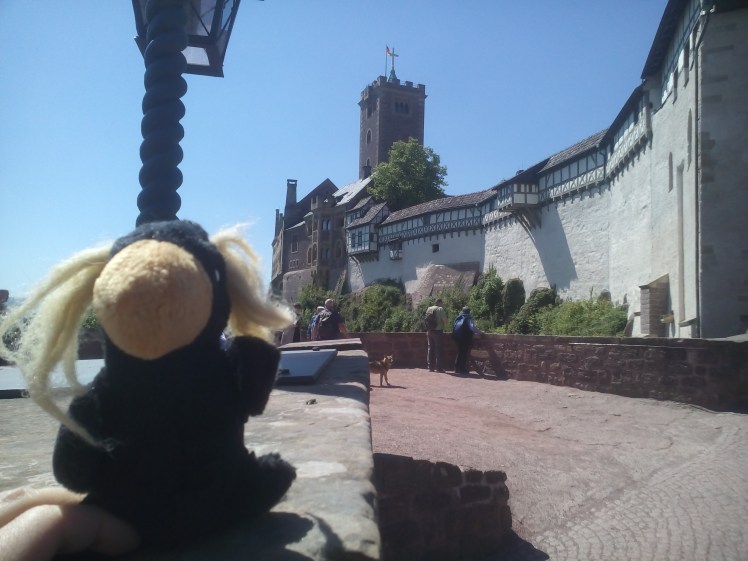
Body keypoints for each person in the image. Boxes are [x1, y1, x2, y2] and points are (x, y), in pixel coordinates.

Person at [452, 307, 483, 375]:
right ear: (469, 312)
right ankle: (462, 369)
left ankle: (456, 368)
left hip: (457, 337)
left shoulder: (459, 317)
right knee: (464, 353)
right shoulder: (468, 318)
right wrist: (480, 332)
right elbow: (472, 327)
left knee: (460, 352)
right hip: (465, 338)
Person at [425, 298, 449, 372]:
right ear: (439, 303)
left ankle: (430, 367)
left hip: (429, 331)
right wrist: (446, 328)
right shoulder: (440, 309)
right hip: (438, 332)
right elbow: (445, 321)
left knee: (430, 349)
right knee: (439, 350)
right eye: (442, 303)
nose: (443, 304)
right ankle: (439, 368)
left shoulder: (429, 308)